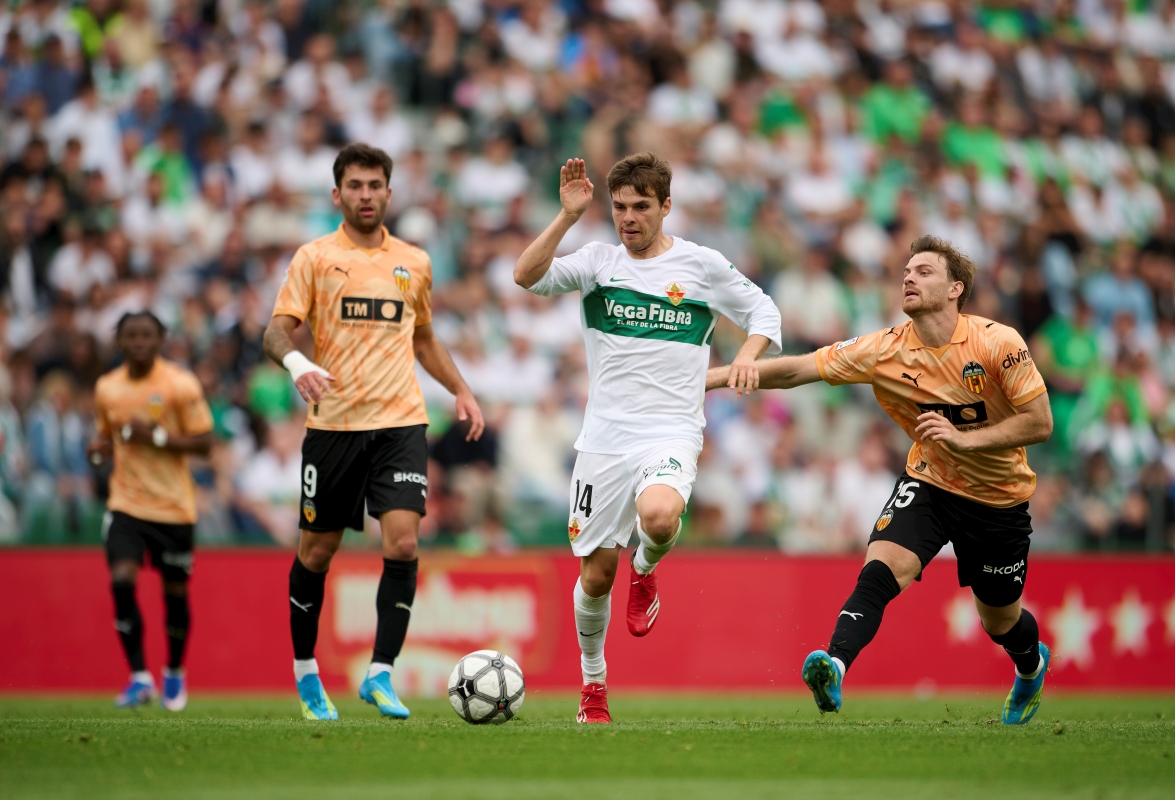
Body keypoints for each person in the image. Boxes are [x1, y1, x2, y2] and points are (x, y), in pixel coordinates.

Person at [707, 235, 1054, 724]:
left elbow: (1040, 422)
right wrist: (718, 376)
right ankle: (834, 665)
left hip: (999, 500)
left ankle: (1030, 664)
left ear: (956, 289)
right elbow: (800, 370)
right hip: (930, 482)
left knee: (999, 620)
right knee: (882, 569)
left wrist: (964, 440)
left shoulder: (998, 342)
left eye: (924, 271)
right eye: (906, 271)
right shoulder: (885, 349)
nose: (909, 277)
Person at [513, 154, 782, 723]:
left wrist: (748, 357)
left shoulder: (701, 266)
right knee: (594, 576)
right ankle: (593, 686)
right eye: (619, 207)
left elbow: (764, 311)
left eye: (641, 206)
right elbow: (526, 276)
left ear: (665, 206)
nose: (628, 218)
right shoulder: (596, 261)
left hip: (671, 430)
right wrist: (566, 218)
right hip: (604, 441)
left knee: (660, 516)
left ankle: (648, 566)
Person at [262, 143, 484, 721]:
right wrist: (298, 364)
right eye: (354, 186)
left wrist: (460, 389)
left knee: (404, 542)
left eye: (374, 185)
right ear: (337, 195)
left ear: (389, 192)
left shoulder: (414, 261)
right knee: (318, 550)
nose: (365, 195)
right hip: (334, 425)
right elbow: (275, 334)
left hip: (401, 422)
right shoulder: (314, 258)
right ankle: (307, 674)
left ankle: (380, 673)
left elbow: (425, 338)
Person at [89, 311, 214, 711]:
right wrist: (99, 449)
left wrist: (155, 436)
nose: (139, 342)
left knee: (174, 594)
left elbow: (205, 443)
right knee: (122, 581)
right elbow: (109, 437)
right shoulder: (107, 388)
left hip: (174, 508)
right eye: (131, 336)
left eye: (146, 335)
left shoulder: (179, 384)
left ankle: (174, 672)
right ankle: (139, 678)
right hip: (126, 504)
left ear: (160, 339)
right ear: (119, 342)